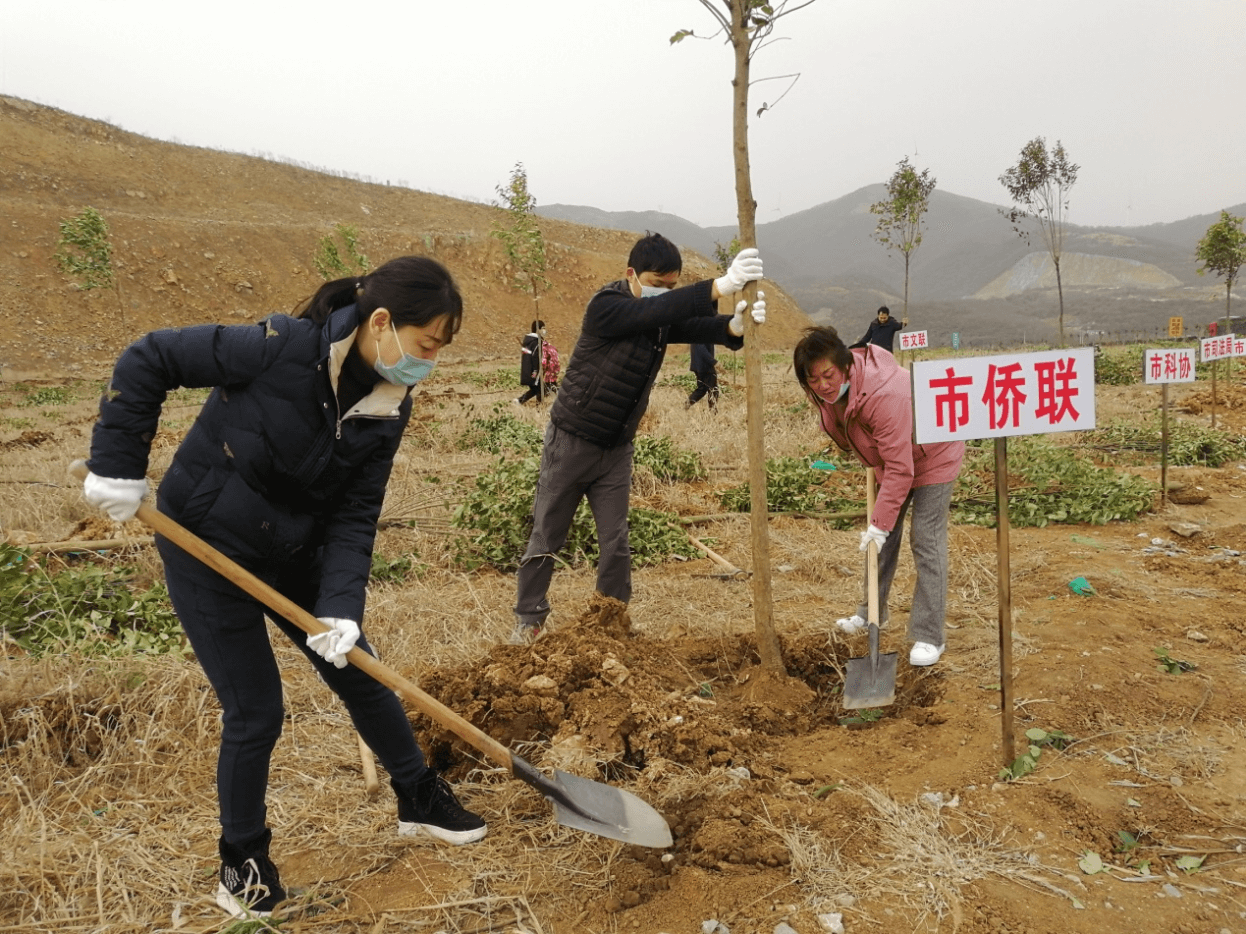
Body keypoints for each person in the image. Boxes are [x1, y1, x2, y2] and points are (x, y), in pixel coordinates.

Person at [81, 256, 487, 920]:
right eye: (425, 346)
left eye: (439, 351)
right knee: (257, 710)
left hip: (295, 545)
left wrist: (340, 610)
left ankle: (418, 795)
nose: (428, 364)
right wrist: (117, 466)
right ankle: (242, 862)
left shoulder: (390, 401)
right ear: (381, 322)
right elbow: (150, 356)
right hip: (206, 545)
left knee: (361, 669)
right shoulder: (278, 348)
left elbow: (356, 511)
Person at [512, 232, 766, 642]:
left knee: (615, 541)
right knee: (547, 533)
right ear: (631, 274)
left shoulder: (660, 317)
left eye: (670, 286)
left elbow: (694, 322)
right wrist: (719, 285)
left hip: (616, 449)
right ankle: (528, 619)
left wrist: (733, 327)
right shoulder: (606, 307)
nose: (662, 293)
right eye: (655, 282)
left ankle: (611, 621)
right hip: (572, 441)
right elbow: (656, 312)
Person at [792, 325, 964, 667]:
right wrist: (880, 526)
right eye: (814, 380)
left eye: (828, 375)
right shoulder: (823, 392)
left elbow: (903, 470)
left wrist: (880, 524)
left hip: (933, 454)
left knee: (925, 539)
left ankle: (929, 635)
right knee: (880, 541)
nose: (824, 385)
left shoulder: (885, 394)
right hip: (892, 459)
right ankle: (872, 613)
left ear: (843, 365)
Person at [516, 320, 557, 405]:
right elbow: (536, 359)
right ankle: (536, 407)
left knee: (536, 390)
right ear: (538, 329)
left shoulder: (528, 341)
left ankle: (520, 401)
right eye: (543, 328)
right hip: (534, 372)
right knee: (540, 390)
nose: (545, 330)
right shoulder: (536, 343)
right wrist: (536, 372)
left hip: (527, 371)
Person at [686, 342, 719, 411]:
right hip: (704, 366)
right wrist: (713, 362)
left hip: (698, 365)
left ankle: (686, 404)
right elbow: (701, 349)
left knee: (702, 389)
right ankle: (713, 413)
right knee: (713, 390)